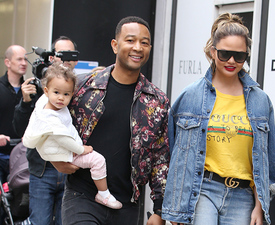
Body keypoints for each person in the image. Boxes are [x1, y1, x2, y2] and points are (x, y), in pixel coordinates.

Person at [162, 12, 275, 225]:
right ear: (213, 52)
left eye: (239, 56)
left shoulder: (260, 101)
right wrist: (179, 208)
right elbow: (175, 155)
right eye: (224, 54)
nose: (231, 61)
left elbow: (266, 162)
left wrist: (259, 206)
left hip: (243, 196)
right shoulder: (191, 96)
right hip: (202, 191)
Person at [51, 16, 170, 225]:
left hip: (127, 205)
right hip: (82, 196)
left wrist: (159, 210)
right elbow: (49, 120)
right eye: (130, 40)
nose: (138, 48)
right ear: (115, 45)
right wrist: (55, 158)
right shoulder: (83, 88)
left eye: (144, 42)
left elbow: (160, 160)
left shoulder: (157, 102)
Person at [23, 62, 122, 209]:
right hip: (66, 153)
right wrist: (81, 150)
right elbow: (63, 139)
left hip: (64, 153)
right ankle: (104, 193)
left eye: (66, 94)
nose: (61, 98)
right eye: (56, 92)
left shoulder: (48, 102)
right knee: (98, 160)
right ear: (45, 91)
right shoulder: (50, 116)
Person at [13, 36, 79, 225]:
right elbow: (20, 129)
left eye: (70, 55)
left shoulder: (82, 89)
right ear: (51, 57)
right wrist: (26, 102)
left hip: (70, 171)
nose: (66, 60)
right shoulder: (40, 85)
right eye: (60, 55)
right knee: (39, 221)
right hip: (42, 170)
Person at [0, 45, 27, 224]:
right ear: (7, 62)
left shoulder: (31, 90)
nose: (24, 63)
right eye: (19, 59)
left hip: (23, 158)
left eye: (26, 59)